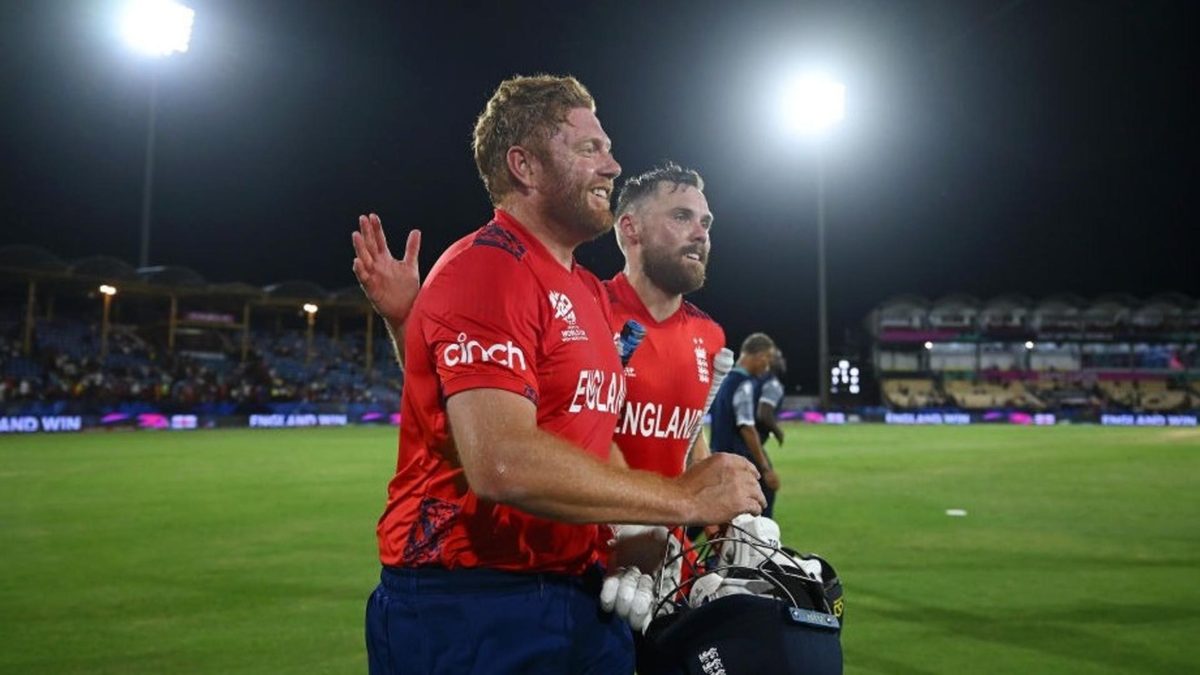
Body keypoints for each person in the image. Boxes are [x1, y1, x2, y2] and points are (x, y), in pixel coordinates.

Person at [354, 74, 766, 675]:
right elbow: (501, 461)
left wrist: (642, 538)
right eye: (588, 149)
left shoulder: (585, 291)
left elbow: (588, 442)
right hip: (471, 603)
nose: (612, 165)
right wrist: (680, 497)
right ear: (524, 165)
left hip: (577, 590)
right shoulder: (488, 269)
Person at [606, 162, 724, 477]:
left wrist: (723, 520)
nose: (701, 234)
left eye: (706, 223)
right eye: (681, 216)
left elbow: (689, 436)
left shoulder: (709, 335)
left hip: (671, 527)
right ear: (631, 228)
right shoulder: (586, 313)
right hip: (588, 526)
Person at [709, 333, 782, 518]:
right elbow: (747, 428)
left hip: (718, 456)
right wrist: (766, 469)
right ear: (757, 355)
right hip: (739, 461)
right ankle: (763, 547)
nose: (767, 365)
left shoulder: (724, 380)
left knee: (714, 511)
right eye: (767, 358)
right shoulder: (744, 384)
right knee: (762, 507)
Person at [756, 350, 787, 448]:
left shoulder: (756, 380)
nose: (783, 361)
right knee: (764, 464)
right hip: (750, 443)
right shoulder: (772, 384)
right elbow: (764, 414)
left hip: (741, 440)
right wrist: (778, 432)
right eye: (779, 358)